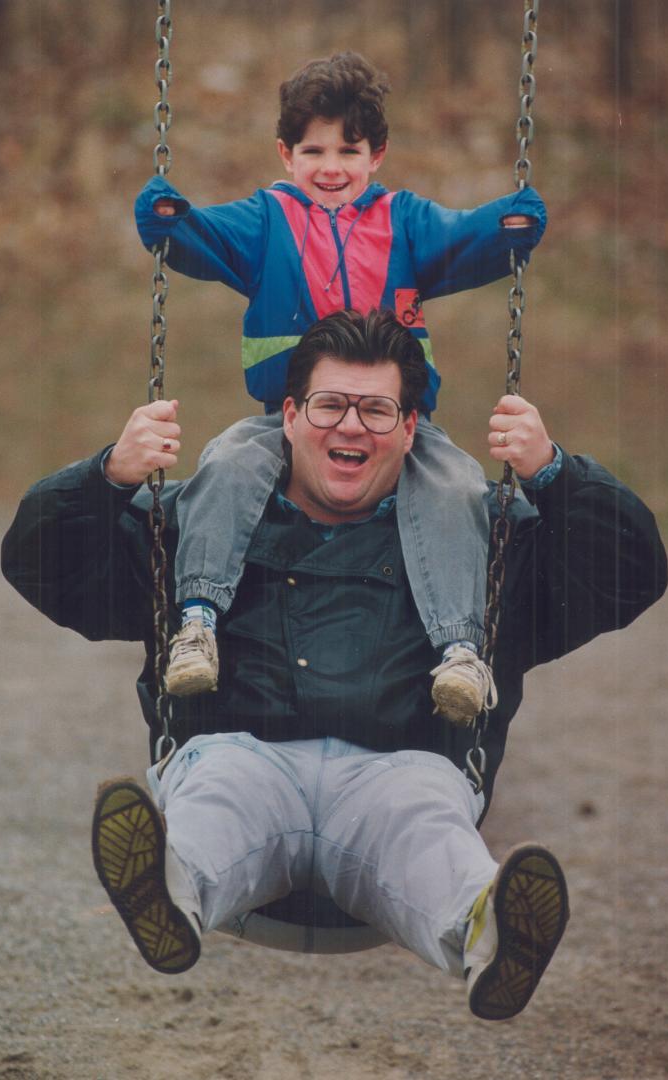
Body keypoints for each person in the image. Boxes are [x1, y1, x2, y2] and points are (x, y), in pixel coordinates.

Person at [1, 310, 667, 1022]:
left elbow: (629, 572)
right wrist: (105, 477)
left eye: (377, 410)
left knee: (423, 823)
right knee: (220, 793)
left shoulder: (480, 547)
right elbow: (43, 565)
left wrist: (554, 472)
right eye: (329, 405)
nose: (351, 426)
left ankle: (490, 930)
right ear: (289, 415)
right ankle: (169, 889)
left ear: (410, 429)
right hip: (243, 756)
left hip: (400, 773)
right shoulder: (203, 532)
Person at [134, 51, 548, 725]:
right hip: (289, 418)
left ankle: (460, 649)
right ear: (285, 152)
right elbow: (200, 234)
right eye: (313, 150)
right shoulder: (266, 220)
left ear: (376, 153)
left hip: (398, 423)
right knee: (226, 463)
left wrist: (510, 224)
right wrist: (168, 218)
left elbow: (462, 236)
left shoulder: (404, 221)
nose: (331, 168)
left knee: (455, 486)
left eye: (348, 151)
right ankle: (197, 620)